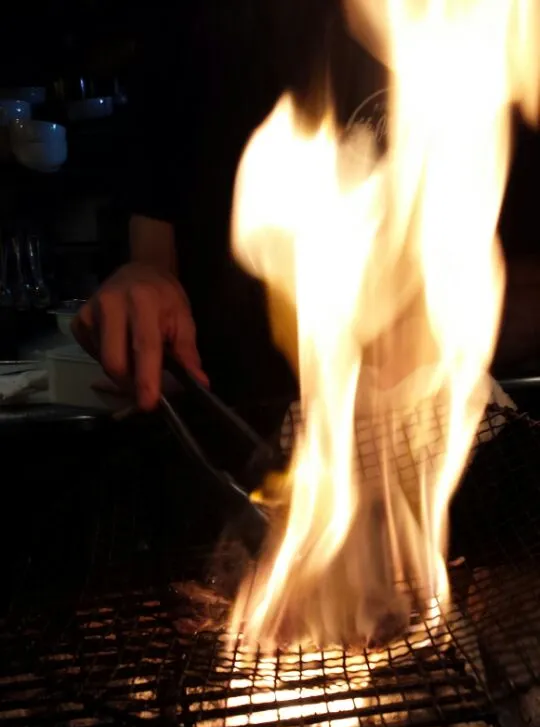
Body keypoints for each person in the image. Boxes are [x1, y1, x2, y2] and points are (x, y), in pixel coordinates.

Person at [72, 0, 540, 425]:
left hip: (475, 440)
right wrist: (143, 286)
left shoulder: (508, 27)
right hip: (244, 435)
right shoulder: (204, 31)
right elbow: (152, 249)